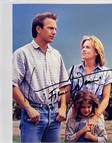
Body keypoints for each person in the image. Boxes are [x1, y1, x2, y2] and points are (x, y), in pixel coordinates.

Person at [12, 12, 71, 142]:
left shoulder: (56, 55)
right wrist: (28, 108)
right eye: (50, 28)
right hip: (32, 116)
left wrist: (63, 107)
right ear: (38, 29)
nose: (54, 32)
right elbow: (11, 85)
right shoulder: (22, 54)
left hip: (55, 116)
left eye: (55, 29)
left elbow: (63, 84)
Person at [66, 35, 112, 124]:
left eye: (87, 47)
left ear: (96, 52)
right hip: (74, 116)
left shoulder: (106, 72)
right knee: (73, 138)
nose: (83, 49)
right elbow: (67, 95)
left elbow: (105, 99)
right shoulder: (73, 70)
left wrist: (95, 117)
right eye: (83, 47)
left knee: (96, 138)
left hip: (96, 116)